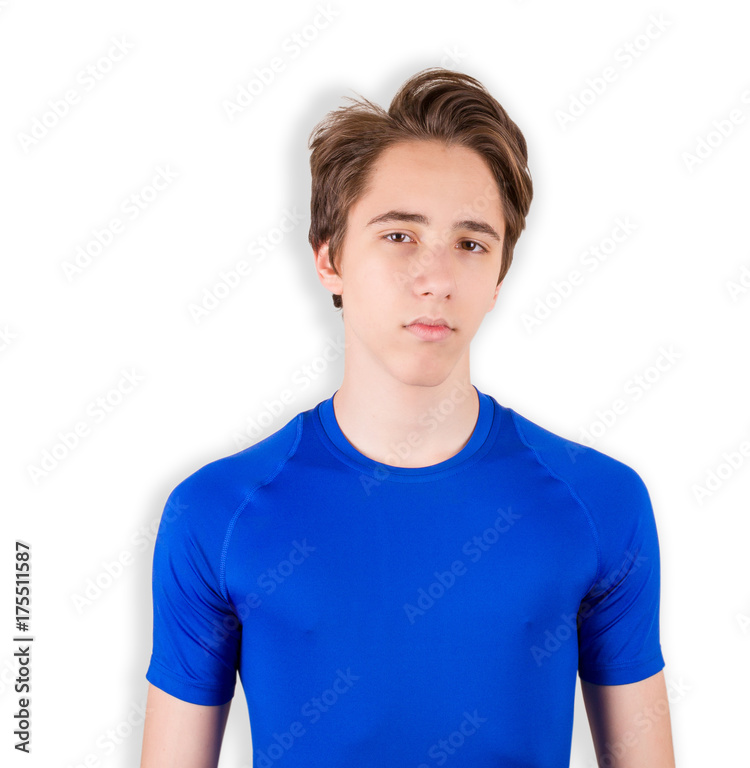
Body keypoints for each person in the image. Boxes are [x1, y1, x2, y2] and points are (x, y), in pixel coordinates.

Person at [140, 67, 675, 767]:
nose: (437, 279)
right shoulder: (216, 513)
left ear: (499, 276)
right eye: (399, 236)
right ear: (329, 259)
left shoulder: (601, 503)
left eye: (471, 244)